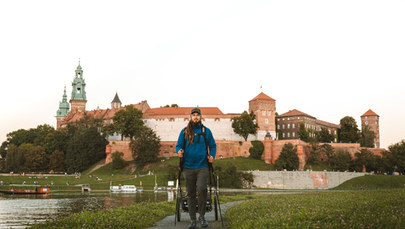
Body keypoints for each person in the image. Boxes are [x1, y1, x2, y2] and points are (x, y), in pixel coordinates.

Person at [176, 108, 216, 229]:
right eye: (193, 115)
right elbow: (178, 145)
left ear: (201, 117)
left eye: (197, 115)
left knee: (202, 188)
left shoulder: (206, 131)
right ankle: (193, 219)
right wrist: (179, 151)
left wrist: (212, 156)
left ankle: (202, 216)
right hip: (188, 167)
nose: (195, 117)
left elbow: (212, 145)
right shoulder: (184, 132)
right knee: (191, 194)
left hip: (202, 165)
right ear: (190, 117)